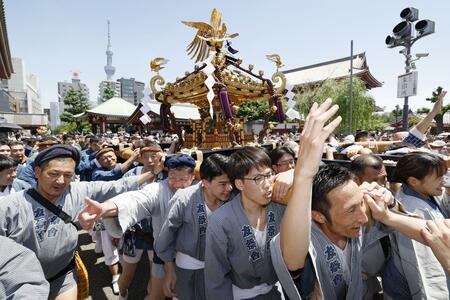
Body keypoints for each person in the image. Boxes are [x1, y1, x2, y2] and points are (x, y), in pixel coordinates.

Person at [270, 99, 429, 300]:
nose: (362, 218)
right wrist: (302, 175)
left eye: (360, 204)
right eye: (351, 209)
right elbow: (292, 261)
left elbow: (429, 233)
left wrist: (389, 206)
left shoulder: (359, 226)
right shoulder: (303, 237)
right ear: (318, 215)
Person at [0, 144, 157, 300]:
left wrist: (154, 172)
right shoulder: (9, 206)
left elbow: (118, 186)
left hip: (63, 276)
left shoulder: (77, 191)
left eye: (68, 175)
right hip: (21, 283)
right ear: (37, 172)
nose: (61, 181)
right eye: (53, 174)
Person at [77, 154, 196, 300]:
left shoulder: (198, 193)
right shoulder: (157, 188)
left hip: (189, 254)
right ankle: (122, 293)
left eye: (183, 179)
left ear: (192, 178)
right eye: (172, 177)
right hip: (146, 240)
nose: (177, 183)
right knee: (147, 288)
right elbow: (136, 200)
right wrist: (106, 209)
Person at [204, 147, 286, 299]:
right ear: (240, 184)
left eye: (269, 175)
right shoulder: (221, 221)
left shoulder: (280, 208)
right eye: (258, 178)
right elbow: (215, 278)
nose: (268, 184)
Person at [154, 154, 233, 300]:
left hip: (221, 268)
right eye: (222, 184)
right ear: (205, 182)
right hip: (189, 267)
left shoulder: (232, 198)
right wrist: (170, 271)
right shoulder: (184, 198)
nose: (229, 187)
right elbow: (166, 236)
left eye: (230, 182)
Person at [383, 152, 449, 299]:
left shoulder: (419, 191)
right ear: (414, 181)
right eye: (438, 178)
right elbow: (426, 269)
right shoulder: (414, 210)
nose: (443, 181)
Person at [118, 142, 166, 300]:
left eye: (154, 156)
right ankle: (122, 293)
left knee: (156, 275)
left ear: (161, 157)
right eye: (146, 157)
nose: (151, 160)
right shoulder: (132, 174)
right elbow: (119, 196)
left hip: (158, 234)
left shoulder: (166, 176)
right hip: (134, 232)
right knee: (127, 275)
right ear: (140, 158)